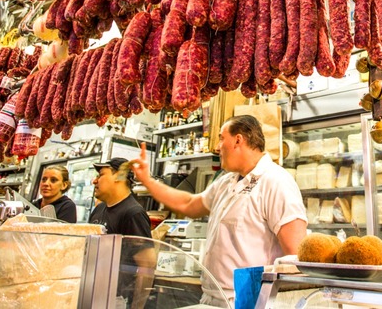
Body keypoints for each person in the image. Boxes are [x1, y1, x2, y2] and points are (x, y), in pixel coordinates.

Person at [131, 115, 308, 306]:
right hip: (211, 296)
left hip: (249, 300)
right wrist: (148, 181)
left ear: (238, 140)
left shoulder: (276, 182)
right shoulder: (226, 181)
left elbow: (296, 257)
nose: (217, 147)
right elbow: (189, 204)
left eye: (221, 138)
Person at [88, 157, 152, 238]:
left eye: (100, 175)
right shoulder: (98, 209)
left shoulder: (134, 214)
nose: (94, 181)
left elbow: (144, 250)